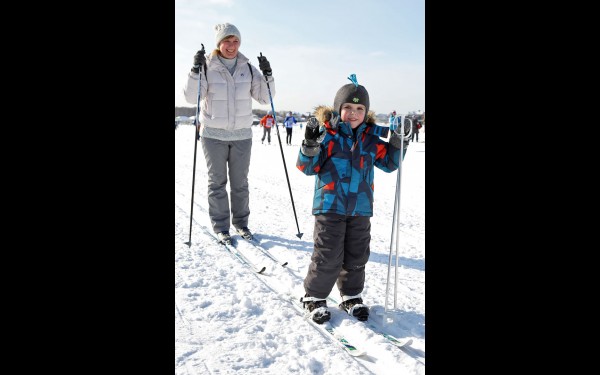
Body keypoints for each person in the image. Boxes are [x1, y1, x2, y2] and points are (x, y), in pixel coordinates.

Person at [296, 74, 409, 324]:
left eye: (359, 108)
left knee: (357, 255)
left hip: (361, 207)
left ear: (366, 112)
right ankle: (314, 296)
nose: (354, 113)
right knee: (328, 254)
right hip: (329, 206)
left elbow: (390, 164)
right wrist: (310, 144)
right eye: (348, 107)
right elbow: (306, 167)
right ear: (338, 109)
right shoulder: (328, 136)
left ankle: (351, 295)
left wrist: (399, 141)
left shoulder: (370, 140)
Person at [183, 22, 275, 245]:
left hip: (242, 135)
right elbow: (190, 97)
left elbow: (265, 98)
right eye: (227, 41)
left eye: (235, 41)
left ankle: (242, 224)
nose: (231, 45)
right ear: (219, 43)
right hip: (213, 135)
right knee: (217, 183)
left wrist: (268, 74)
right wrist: (195, 71)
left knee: (240, 183)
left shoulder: (249, 68)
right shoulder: (207, 67)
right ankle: (221, 227)